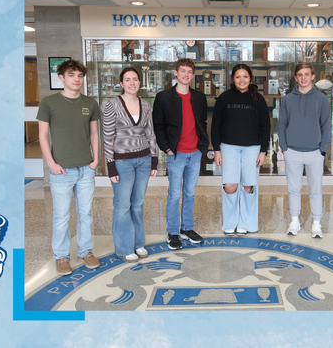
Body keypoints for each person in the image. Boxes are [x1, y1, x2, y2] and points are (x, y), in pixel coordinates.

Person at [36, 59, 101, 275]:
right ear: (61, 78)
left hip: (85, 169)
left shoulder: (90, 103)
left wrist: (95, 160)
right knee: (61, 215)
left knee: (86, 214)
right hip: (61, 170)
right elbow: (43, 135)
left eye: (80, 76)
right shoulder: (49, 102)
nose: (77, 79)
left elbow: (94, 133)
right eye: (72, 75)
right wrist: (51, 164)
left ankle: (85, 251)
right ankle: (61, 256)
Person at [102, 67, 158, 262]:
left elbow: (150, 134)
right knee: (123, 205)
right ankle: (125, 247)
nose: (132, 82)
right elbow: (108, 138)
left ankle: (138, 243)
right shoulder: (111, 105)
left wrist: (154, 160)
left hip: (143, 160)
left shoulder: (146, 105)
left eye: (135, 79)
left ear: (140, 82)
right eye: (128, 79)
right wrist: (110, 166)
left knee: (137, 205)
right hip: (122, 162)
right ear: (121, 83)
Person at [153, 58, 208, 250]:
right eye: (182, 71)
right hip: (176, 153)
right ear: (175, 73)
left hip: (195, 153)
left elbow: (202, 122)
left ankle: (187, 228)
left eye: (189, 72)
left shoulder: (199, 97)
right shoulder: (163, 97)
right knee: (174, 194)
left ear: (193, 75)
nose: (186, 75)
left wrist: (202, 146)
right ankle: (173, 232)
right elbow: (158, 126)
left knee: (190, 193)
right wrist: (166, 147)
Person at [211, 64, 270, 236]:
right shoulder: (224, 98)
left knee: (248, 186)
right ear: (233, 79)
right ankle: (230, 223)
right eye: (238, 77)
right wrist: (216, 149)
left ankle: (246, 223)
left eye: (245, 76)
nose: (242, 80)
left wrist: (263, 151)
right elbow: (216, 126)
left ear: (250, 78)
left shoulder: (258, 99)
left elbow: (265, 126)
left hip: (252, 148)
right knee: (230, 186)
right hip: (228, 147)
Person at [278, 63, 332, 238]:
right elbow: (282, 125)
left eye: (306, 74)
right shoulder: (287, 99)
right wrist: (284, 149)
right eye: (300, 75)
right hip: (292, 152)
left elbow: (326, 126)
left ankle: (316, 223)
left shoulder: (322, 99)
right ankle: (294, 221)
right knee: (293, 189)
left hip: (315, 152)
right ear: (295, 78)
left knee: (315, 189)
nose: (303, 78)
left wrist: (322, 150)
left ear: (312, 76)